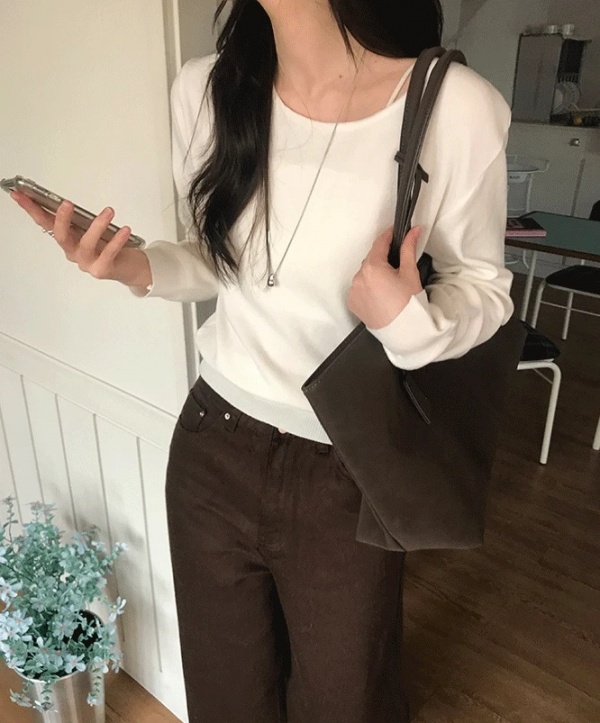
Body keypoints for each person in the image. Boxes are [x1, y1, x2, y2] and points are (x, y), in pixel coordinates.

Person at [10, 0, 515, 719]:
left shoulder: (450, 105)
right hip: (212, 447)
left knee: (346, 704)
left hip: (347, 467)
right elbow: (218, 261)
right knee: (225, 701)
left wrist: (408, 325)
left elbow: (484, 289)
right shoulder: (206, 89)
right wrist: (135, 268)